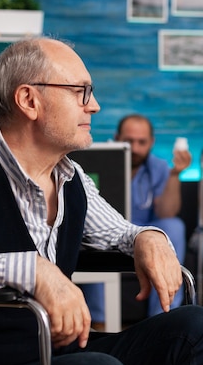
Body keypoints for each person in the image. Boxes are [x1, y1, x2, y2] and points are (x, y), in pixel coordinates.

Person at [0, 37, 203, 365]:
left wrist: (148, 237)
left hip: (52, 352)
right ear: (29, 100)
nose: (95, 106)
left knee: (198, 328)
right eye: (82, 91)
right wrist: (29, 269)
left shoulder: (70, 176)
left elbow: (121, 231)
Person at [81, 114, 191, 322]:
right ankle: (97, 322)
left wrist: (175, 174)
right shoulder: (96, 161)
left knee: (174, 226)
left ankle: (163, 318)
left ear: (152, 142)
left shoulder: (157, 167)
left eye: (142, 142)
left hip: (144, 232)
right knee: (91, 233)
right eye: (129, 141)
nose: (136, 148)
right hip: (105, 232)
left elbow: (166, 213)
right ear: (116, 137)